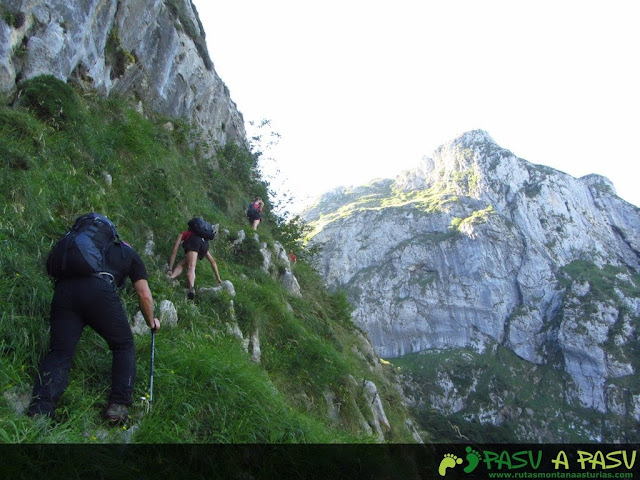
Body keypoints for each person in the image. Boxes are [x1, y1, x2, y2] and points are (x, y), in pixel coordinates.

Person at [28, 218, 160, 423]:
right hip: (98, 291)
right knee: (123, 345)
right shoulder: (129, 253)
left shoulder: (81, 248)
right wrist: (151, 321)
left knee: (60, 352)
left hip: (64, 290)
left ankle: (40, 410)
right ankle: (118, 407)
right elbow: (144, 295)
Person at [167, 224, 222, 300]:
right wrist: (218, 278)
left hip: (194, 243)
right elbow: (213, 262)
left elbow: (174, 250)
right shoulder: (201, 238)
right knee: (181, 264)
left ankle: (191, 288)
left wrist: (170, 268)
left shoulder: (184, 234)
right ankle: (173, 277)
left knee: (191, 268)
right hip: (204, 245)